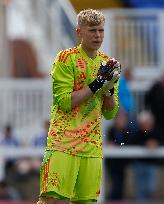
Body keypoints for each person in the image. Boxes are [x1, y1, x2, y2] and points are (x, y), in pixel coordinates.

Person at [37, 9, 121, 204]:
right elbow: (65, 102)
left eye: (101, 30)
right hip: (62, 143)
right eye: (92, 30)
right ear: (79, 32)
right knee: (50, 200)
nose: (98, 35)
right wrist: (97, 84)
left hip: (91, 147)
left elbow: (110, 113)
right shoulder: (66, 58)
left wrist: (108, 90)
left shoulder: (107, 63)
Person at [132, 110, 161, 201]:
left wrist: (156, 143)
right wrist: (145, 144)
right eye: (143, 123)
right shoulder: (137, 133)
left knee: (151, 187)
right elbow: (133, 142)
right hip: (139, 163)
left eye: (147, 122)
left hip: (151, 164)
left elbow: (160, 140)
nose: (145, 125)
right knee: (140, 188)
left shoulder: (157, 132)